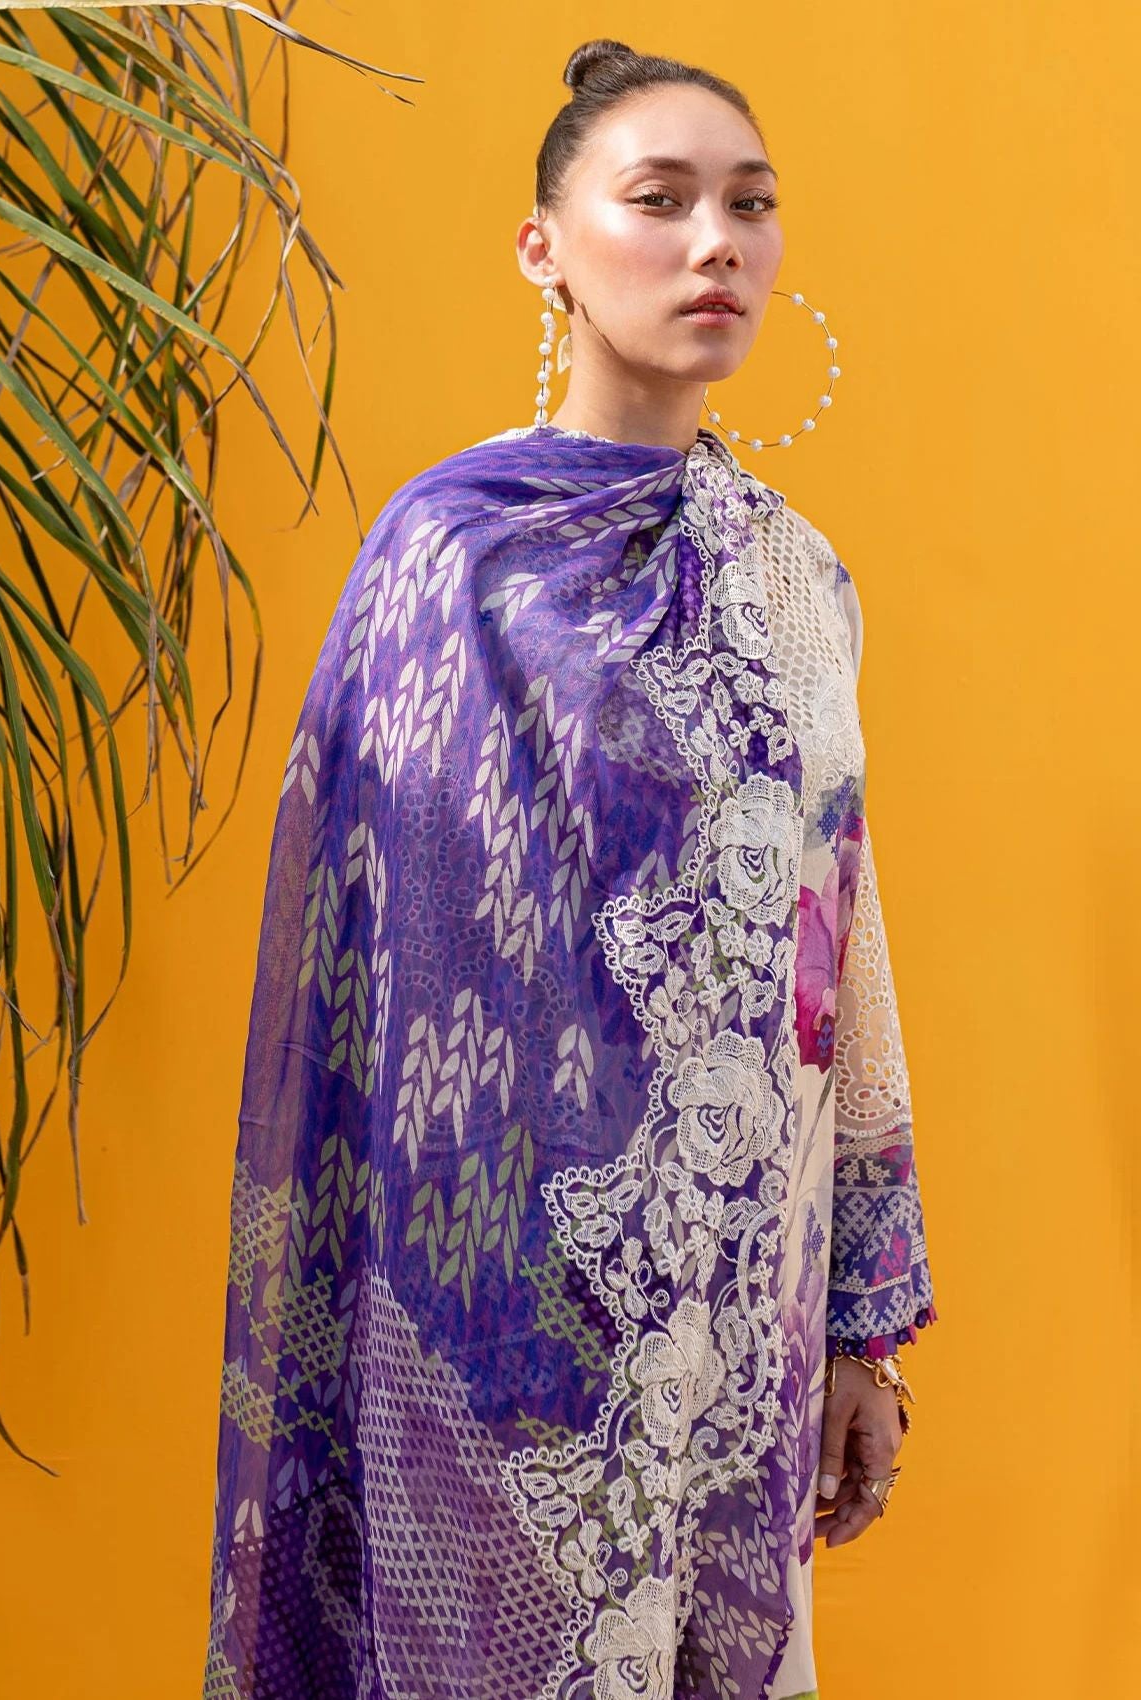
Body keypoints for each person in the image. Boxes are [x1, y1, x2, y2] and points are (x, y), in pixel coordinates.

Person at [201, 36, 937, 1700]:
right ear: (545, 247)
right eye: (659, 200)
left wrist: (859, 1328)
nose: (715, 244)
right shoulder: (446, 560)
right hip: (490, 1327)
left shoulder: (798, 582)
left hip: (737, 1319)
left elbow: (842, 954)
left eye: (750, 205)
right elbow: (374, 972)